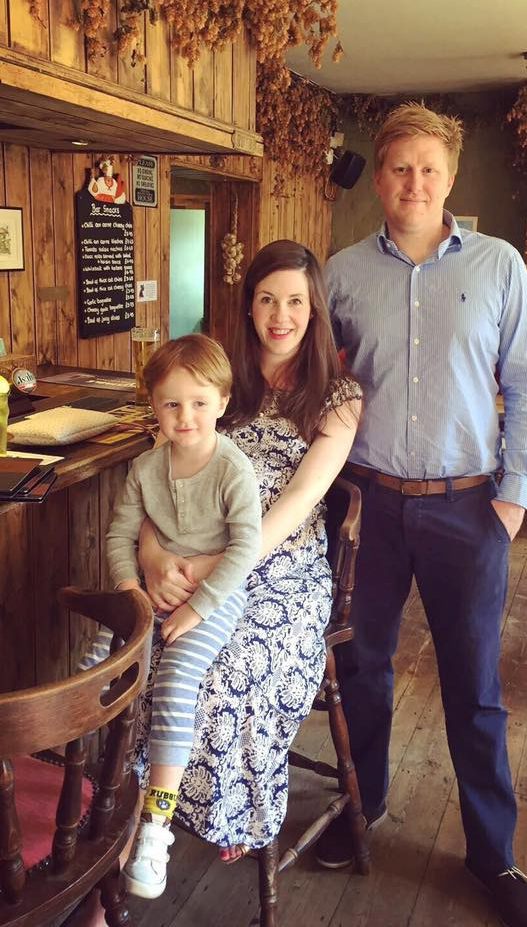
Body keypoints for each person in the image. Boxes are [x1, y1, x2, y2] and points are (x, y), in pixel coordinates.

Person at [321, 102, 527, 927]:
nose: (413, 182)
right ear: (378, 180)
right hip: (367, 509)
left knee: (475, 687)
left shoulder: (499, 267)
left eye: (428, 168)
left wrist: (512, 499)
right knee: (362, 669)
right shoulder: (342, 274)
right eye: (399, 168)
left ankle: (494, 856)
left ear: (449, 178)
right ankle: (364, 807)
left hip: (469, 509)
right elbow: (312, 378)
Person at [136, 239, 362, 864]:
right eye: (267, 300)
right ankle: (125, 816)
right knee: (127, 652)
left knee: (228, 666)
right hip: (187, 552)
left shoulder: (338, 397)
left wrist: (215, 567)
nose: (280, 316)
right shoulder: (217, 380)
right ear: (248, 306)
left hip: (281, 570)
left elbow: (297, 503)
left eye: (295, 301)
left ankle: (221, 806)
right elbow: (159, 477)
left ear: (314, 310)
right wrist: (153, 558)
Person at [81, 333, 262, 900]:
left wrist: (198, 608)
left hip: (215, 596)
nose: (186, 417)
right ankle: (89, 790)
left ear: (223, 402)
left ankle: (156, 826)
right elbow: (119, 535)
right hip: (150, 593)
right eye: (172, 404)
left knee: (177, 678)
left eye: (200, 403)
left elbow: (245, 549)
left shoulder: (233, 469)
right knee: (92, 664)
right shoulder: (145, 467)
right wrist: (130, 593)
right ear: (154, 406)